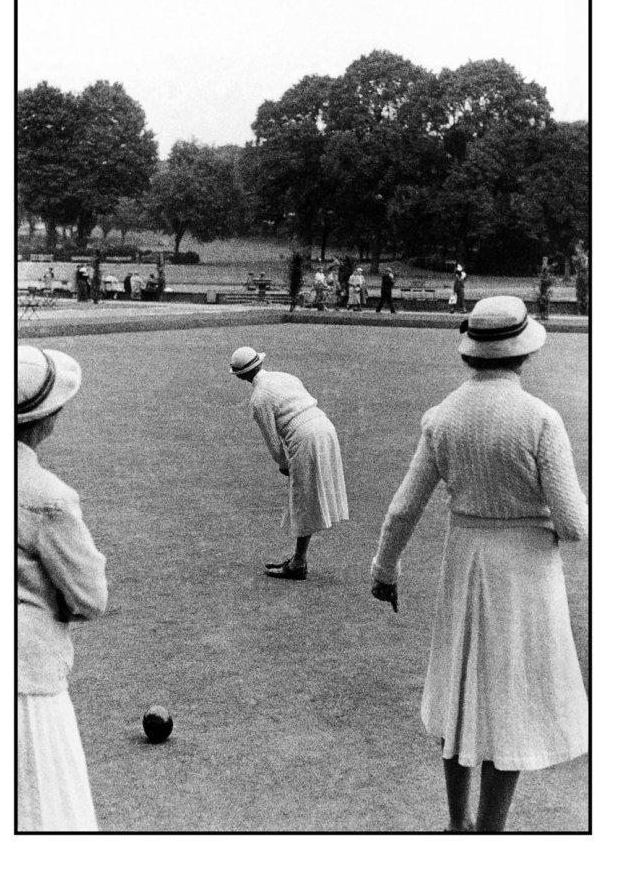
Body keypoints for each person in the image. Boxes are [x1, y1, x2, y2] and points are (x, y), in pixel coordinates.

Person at [370, 296, 588, 833]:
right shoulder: (540, 418)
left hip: (464, 560)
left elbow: (403, 508)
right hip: (524, 572)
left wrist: (385, 571)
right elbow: (575, 526)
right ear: (523, 354)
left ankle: (457, 824)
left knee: (459, 688)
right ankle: (490, 835)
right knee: (508, 694)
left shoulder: (442, 415)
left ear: (472, 353)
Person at [18, 345, 108, 831]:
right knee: (43, 813)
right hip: (25, 677)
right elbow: (90, 599)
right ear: (43, 419)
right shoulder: (48, 496)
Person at [230, 347, 349, 579]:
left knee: (303, 497)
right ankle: (298, 559)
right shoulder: (285, 376)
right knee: (304, 496)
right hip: (325, 427)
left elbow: (273, 442)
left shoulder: (259, 399)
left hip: (305, 437)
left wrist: (283, 463)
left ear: (241, 375)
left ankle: (298, 564)